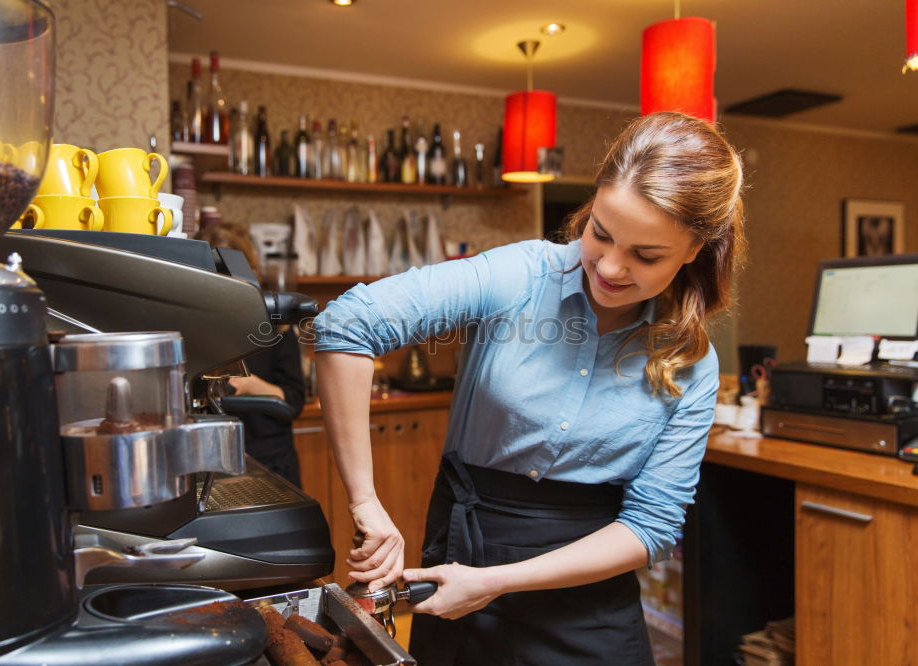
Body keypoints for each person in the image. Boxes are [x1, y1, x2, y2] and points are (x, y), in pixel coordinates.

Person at [311, 111, 746, 665]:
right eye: (602, 234)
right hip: (463, 570)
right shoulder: (519, 276)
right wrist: (366, 502)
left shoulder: (692, 362)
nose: (610, 267)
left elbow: (651, 526)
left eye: (646, 255)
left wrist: (502, 581)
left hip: (588, 595)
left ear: (695, 250)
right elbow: (347, 325)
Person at [196, 221, 307, 487]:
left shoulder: (275, 326)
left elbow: (294, 401)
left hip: (271, 461)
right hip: (210, 462)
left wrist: (249, 386)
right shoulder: (194, 326)